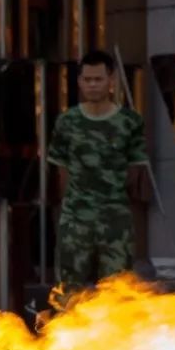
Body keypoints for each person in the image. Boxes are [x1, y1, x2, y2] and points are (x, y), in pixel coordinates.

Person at [47, 49, 148, 289]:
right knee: (69, 290)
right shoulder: (67, 122)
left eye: (98, 79)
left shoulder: (129, 122)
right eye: (87, 79)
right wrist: (70, 208)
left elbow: (136, 173)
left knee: (118, 290)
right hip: (75, 219)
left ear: (111, 81)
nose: (92, 85)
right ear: (80, 82)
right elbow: (60, 171)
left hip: (115, 219)